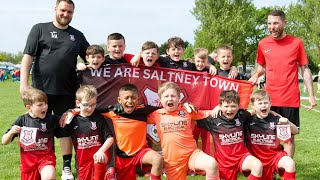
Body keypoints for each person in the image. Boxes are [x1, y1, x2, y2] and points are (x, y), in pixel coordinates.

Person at [19, 0, 90, 179]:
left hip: (67, 92)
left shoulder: (77, 35)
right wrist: (24, 84)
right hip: (40, 92)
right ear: (55, 9)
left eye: (70, 12)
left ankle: (66, 167)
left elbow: (93, 57)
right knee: (37, 127)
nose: (66, 14)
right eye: (63, 10)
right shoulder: (39, 29)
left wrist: (84, 64)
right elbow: (27, 57)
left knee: (65, 129)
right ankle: (36, 164)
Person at [249, 10, 317, 158]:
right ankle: (270, 169)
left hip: (289, 99)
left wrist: (312, 95)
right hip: (268, 100)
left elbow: (305, 69)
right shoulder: (263, 43)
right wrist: (255, 75)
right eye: (269, 23)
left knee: (288, 139)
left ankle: (287, 171)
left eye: (275, 23)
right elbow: (261, 67)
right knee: (267, 137)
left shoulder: (296, 43)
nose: (272, 27)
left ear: (284, 23)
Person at [148, 82, 220, 180]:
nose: (170, 99)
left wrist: (219, 107)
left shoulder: (187, 110)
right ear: (160, 100)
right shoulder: (156, 114)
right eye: (166, 96)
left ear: (179, 98)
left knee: (211, 164)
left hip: (192, 154)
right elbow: (136, 116)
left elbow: (207, 114)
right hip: (173, 161)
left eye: (173, 96)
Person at [197, 90, 263, 180]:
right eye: (226, 106)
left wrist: (272, 113)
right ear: (220, 106)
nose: (229, 109)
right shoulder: (213, 119)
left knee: (257, 165)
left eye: (233, 106)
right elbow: (192, 118)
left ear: (238, 107)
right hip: (225, 164)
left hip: (242, 157)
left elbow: (255, 110)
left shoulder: (241, 116)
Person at [2, 88, 65, 180]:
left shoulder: (51, 119)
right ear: (29, 107)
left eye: (46, 103)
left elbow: (67, 120)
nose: (45, 107)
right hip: (28, 164)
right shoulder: (22, 120)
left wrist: (73, 112)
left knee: (49, 176)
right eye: (40, 105)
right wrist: (11, 132)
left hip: (46, 158)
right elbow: (4, 141)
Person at [61, 85, 114, 180]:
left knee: (99, 161)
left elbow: (110, 138)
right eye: (86, 105)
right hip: (82, 162)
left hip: (99, 158)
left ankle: (108, 173)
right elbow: (60, 128)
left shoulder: (99, 118)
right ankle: (109, 175)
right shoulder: (72, 120)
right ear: (78, 103)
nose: (90, 108)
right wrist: (71, 112)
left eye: (93, 104)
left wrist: (101, 151)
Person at [245, 90, 297, 180]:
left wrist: (287, 122)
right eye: (260, 103)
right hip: (256, 158)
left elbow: (295, 131)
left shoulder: (276, 119)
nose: (263, 105)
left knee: (290, 163)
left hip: (274, 157)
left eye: (266, 103)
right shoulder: (248, 120)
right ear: (253, 106)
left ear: (270, 104)